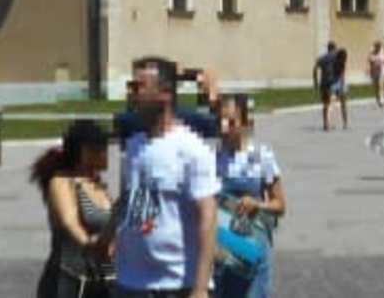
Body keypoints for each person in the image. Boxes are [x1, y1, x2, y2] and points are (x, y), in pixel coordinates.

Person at [115, 56, 219, 297]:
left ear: (165, 94)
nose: (132, 94)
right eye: (131, 86)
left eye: (139, 87)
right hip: (131, 282)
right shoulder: (134, 145)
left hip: (175, 284)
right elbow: (127, 199)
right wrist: (108, 236)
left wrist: (201, 288)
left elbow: (208, 216)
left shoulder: (191, 149)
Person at [214, 93, 286, 298]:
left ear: (246, 123)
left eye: (231, 122)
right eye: (220, 121)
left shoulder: (262, 156)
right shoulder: (213, 160)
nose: (224, 128)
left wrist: (258, 205)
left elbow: (280, 205)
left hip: (252, 250)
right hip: (222, 254)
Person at [32, 117, 113, 298]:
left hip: (100, 280)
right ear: (82, 152)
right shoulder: (62, 182)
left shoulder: (98, 185)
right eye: (98, 148)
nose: (105, 153)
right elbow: (69, 222)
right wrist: (88, 243)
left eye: (104, 147)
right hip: (68, 280)